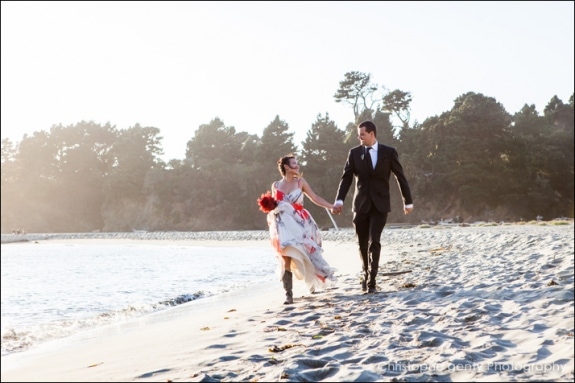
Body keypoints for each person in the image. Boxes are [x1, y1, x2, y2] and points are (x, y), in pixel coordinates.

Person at [332, 120, 413, 294]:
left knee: (374, 241)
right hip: (360, 205)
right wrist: (339, 200)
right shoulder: (354, 153)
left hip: (380, 205)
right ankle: (365, 273)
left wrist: (408, 201)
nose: (359, 138)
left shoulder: (389, 152)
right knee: (362, 243)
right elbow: (346, 178)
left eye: (362, 134)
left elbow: (400, 176)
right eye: (358, 135)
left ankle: (372, 282)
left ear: (372, 134)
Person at [264, 153, 338, 305]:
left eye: (297, 163)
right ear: (286, 167)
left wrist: (331, 206)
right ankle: (288, 294)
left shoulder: (301, 183)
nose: (297, 166)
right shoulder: (276, 186)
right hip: (283, 225)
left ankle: (313, 280)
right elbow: (273, 207)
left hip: (301, 222)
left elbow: (315, 198)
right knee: (286, 257)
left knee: (307, 253)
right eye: (294, 163)